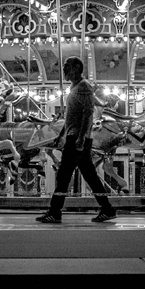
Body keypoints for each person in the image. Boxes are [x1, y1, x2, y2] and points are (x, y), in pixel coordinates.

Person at [36, 56, 117, 224]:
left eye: (67, 68)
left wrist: (81, 139)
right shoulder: (74, 87)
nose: (64, 71)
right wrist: (62, 134)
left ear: (75, 69)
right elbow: (70, 117)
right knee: (88, 175)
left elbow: (88, 114)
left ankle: (55, 212)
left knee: (65, 175)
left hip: (78, 140)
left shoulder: (84, 87)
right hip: (73, 137)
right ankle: (107, 208)